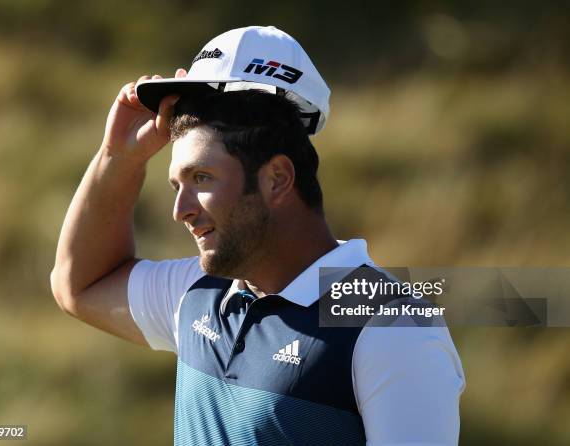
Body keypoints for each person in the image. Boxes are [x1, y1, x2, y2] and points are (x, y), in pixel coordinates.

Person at [51, 26, 466, 445]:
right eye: (178, 185)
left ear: (277, 179)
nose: (182, 211)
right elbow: (79, 286)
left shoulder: (395, 327)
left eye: (202, 178)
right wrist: (118, 157)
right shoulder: (198, 292)